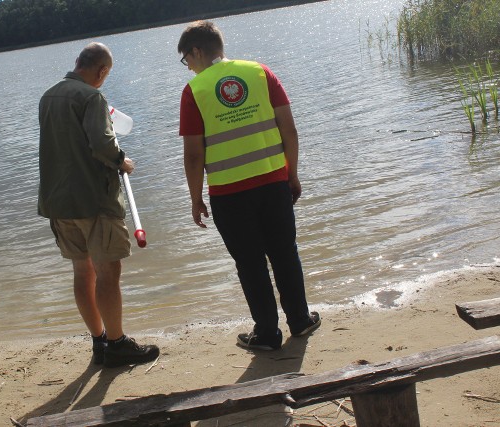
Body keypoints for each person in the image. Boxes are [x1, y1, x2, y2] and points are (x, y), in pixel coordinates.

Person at [177, 21, 320, 350]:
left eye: (187, 59)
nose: (188, 67)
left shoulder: (194, 91)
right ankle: (299, 321)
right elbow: (290, 131)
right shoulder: (260, 73)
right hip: (273, 183)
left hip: (229, 194)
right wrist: (292, 174)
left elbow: (194, 155)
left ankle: (268, 335)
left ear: (197, 51)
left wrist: (196, 198)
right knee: (285, 253)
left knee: (250, 263)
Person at [38, 42, 159, 367]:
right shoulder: (92, 97)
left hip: (58, 203)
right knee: (108, 271)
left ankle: (99, 341)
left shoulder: (48, 96)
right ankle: (117, 344)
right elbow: (102, 144)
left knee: (82, 270)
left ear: (78, 62)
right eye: (106, 74)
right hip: (92, 201)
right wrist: (122, 162)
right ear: (101, 71)